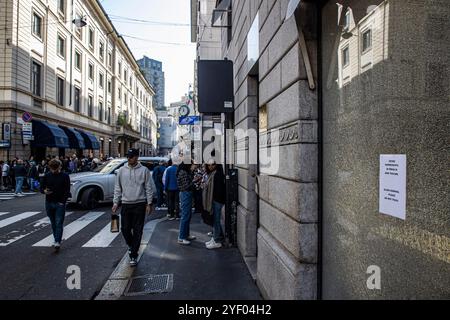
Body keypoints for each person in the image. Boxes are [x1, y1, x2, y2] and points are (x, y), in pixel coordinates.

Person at [112, 148, 155, 267]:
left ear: (137, 157)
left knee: (138, 230)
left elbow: (148, 187)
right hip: (126, 204)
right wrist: (115, 203)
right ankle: (132, 246)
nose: (129, 158)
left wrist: (149, 203)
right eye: (128, 156)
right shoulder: (121, 170)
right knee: (125, 229)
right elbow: (117, 188)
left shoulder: (144, 170)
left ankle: (133, 254)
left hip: (140, 204)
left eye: (131, 156)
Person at [40, 159, 70, 251]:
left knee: (59, 222)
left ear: (60, 167)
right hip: (49, 202)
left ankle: (57, 241)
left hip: (59, 203)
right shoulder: (47, 175)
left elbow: (67, 190)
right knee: (53, 223)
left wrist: (63, 202)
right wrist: (44, 191)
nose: (54, 170)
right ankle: (56, 239)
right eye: (52, 169)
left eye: (55, 168)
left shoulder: (65, 176)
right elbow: (41, 187)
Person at [203, 160, 226, 249]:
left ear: (216, 165)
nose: (210, 166)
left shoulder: (217, 174)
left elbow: (219, 190)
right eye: (208, 165)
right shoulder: (213, 173)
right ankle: (216, 238)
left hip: (217, 200)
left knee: (216, 220)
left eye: (212, 165)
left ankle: (217, 241)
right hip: (215, 200)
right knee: (215, 220)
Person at [176, 162, 196, 245]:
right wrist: (194, 180)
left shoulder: (184, 171)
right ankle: (181, 237)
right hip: (185, 193)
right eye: (191, 164)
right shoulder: (183, 173)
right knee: (185, 215)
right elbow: (186, 186)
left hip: (186, 193)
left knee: (188, 215)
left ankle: (186, 235)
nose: (192, 165)